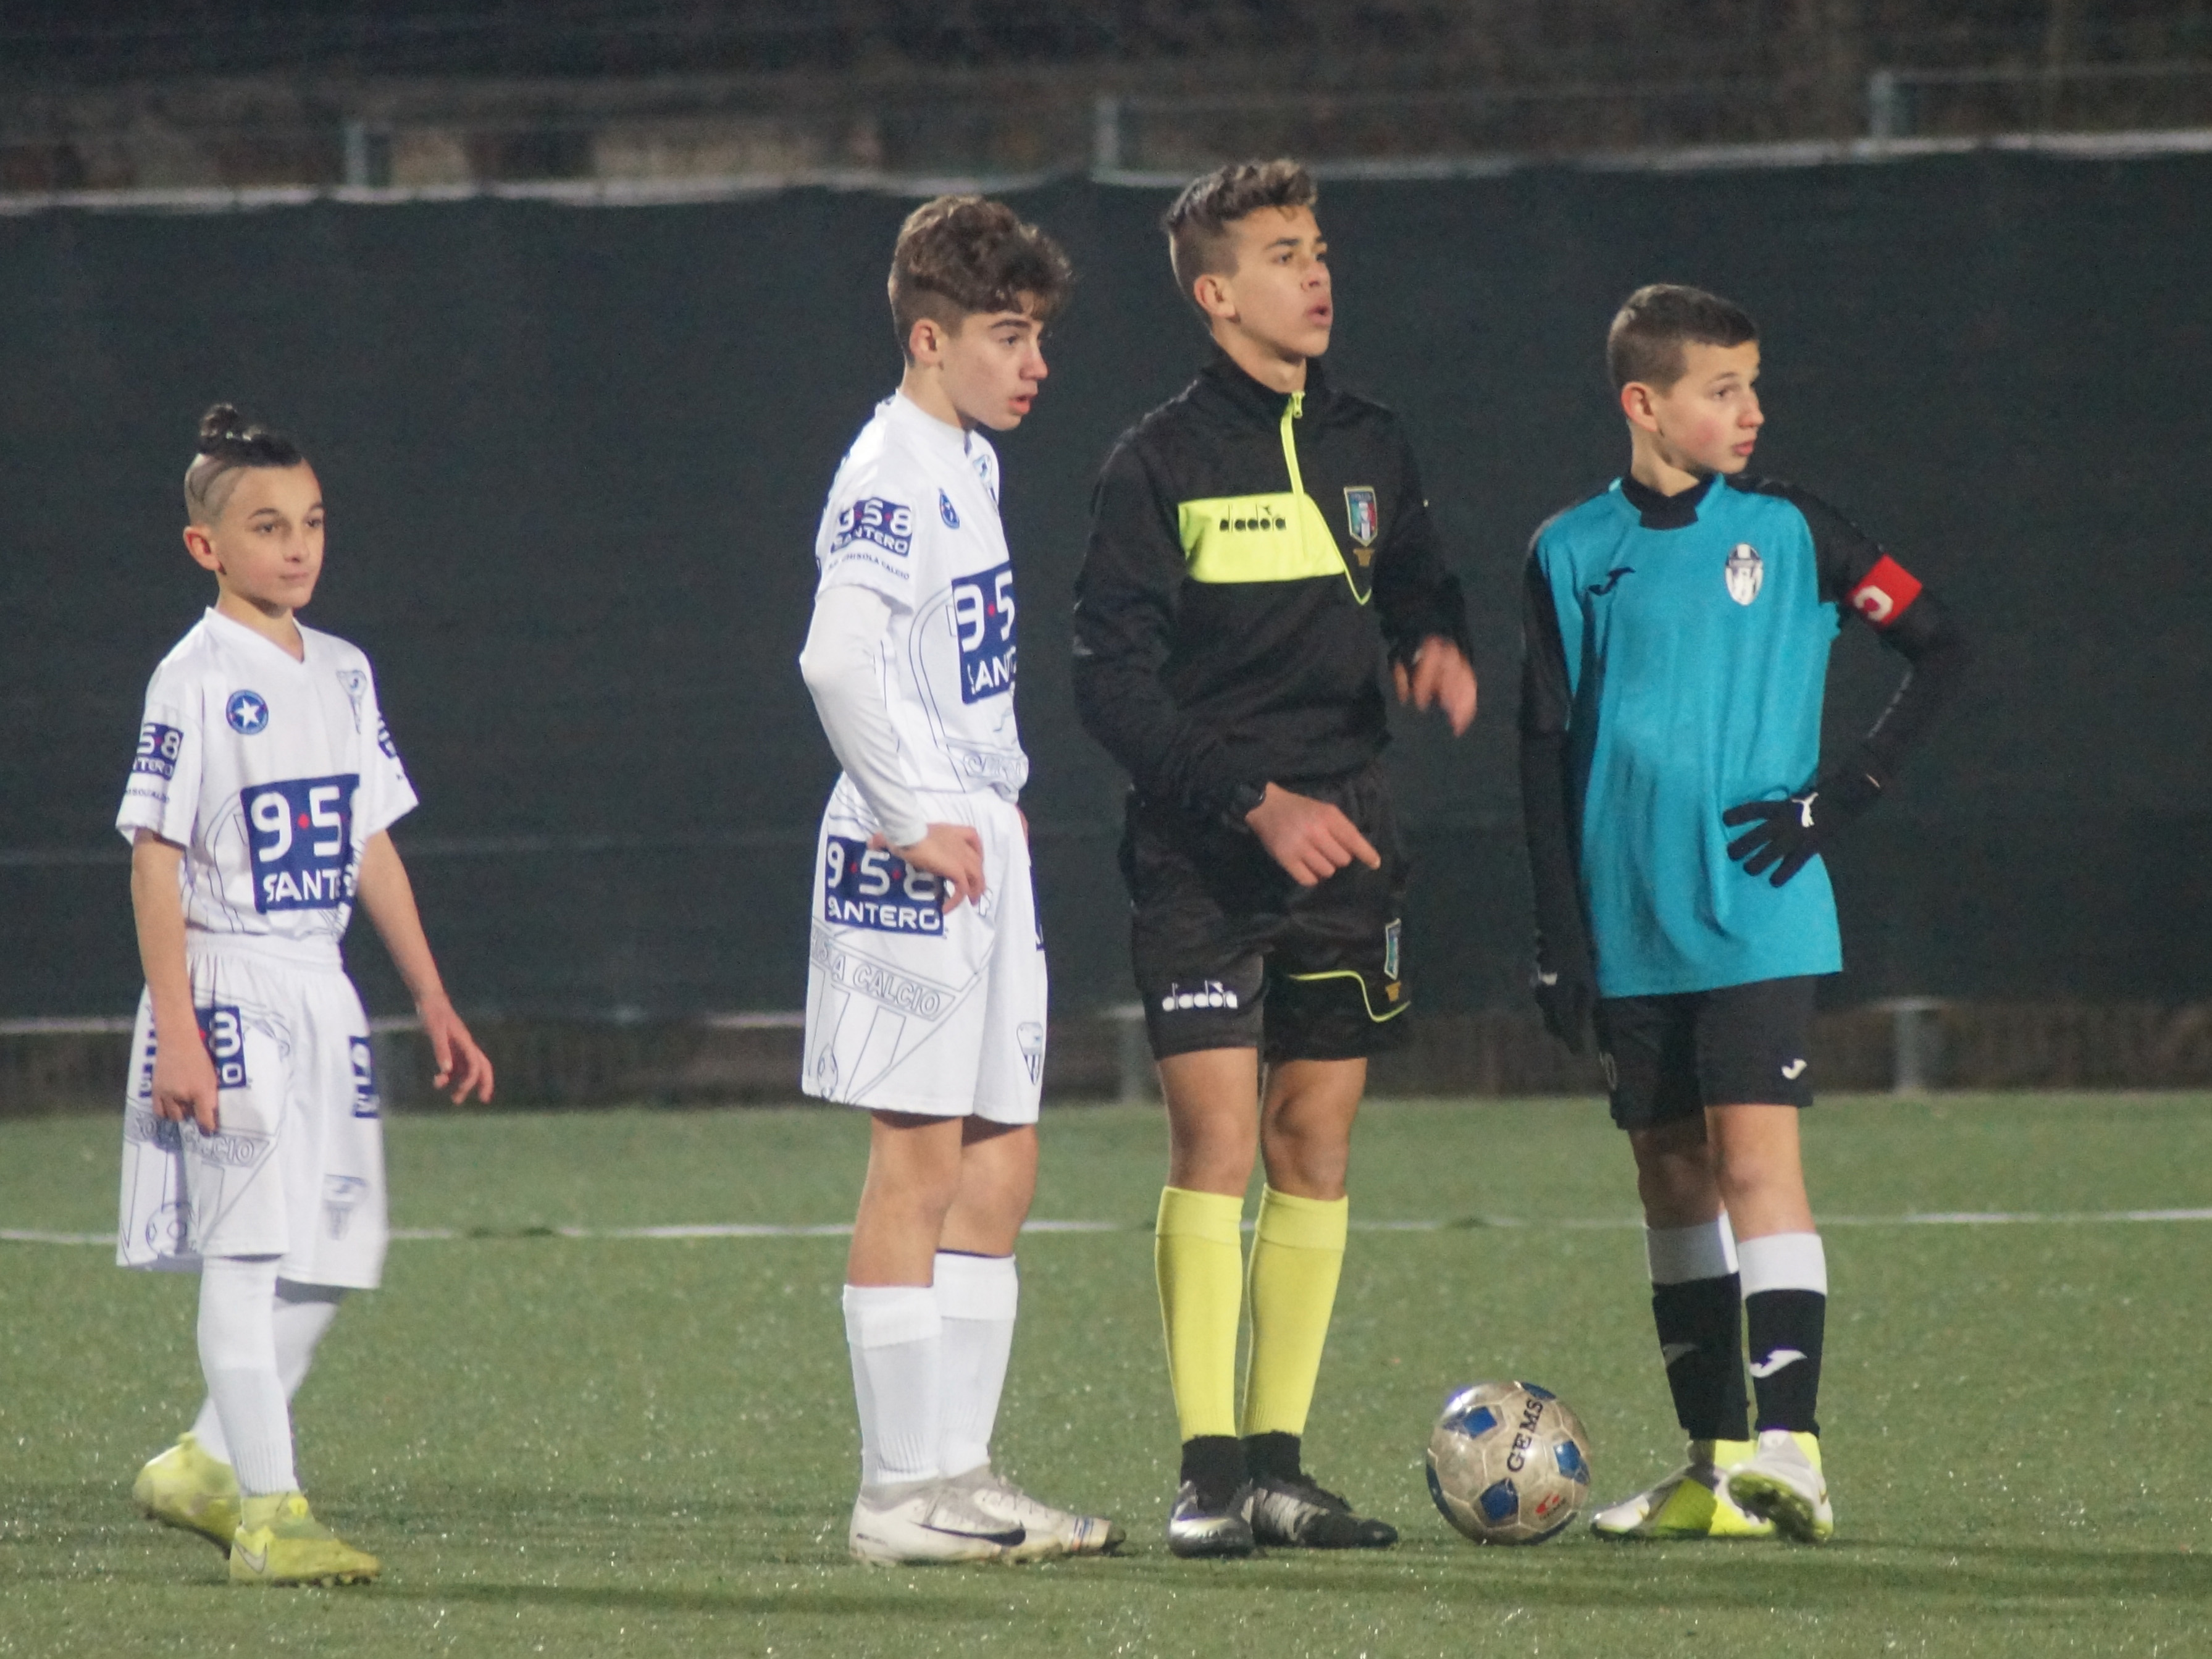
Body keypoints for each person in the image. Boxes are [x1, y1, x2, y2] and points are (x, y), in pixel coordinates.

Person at [1518, 285, 1971, 1543]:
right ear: (1643, 402)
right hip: (1629, 915)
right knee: (1668, 1176)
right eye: (1723, 389)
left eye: (1753, 384)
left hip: (1759, 906)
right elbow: (1542, 749)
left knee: (1755, 1160)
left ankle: (1793, 1449)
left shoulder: (1795, 531)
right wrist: (1559, 934)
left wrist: (1842, 795)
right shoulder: (1567, 550)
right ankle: (1715, 1465)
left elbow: (1941, 644)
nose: (1751, 409)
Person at [1071, 159, 1478, 1558]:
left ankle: (1280, 1470)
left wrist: (1432, 640)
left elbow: (1416, 573)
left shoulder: (1372, 439)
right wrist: (1251, 799)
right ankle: (1205, 1473)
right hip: (1206, 843)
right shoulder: (1155, 462)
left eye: (1319, 250)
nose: (1316, 275)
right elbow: (1108, 685)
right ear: (1215, 292)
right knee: (1217, 1142)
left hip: (1349, 835)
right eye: (1284, 255)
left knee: (1314, 1143)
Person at [797, 195, 1120, 1566]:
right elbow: (832, 658)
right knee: (918, 1162)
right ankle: (892, 1499)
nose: (1033, 361)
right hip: (909, 854)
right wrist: (911, 813)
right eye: (1006, 334)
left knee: (1002, 1161)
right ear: (929, 339)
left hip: (978, 836)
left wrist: (988, 790)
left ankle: (962, 1477)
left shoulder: (968, 460)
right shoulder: (888, 471)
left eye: (1037, 333)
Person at [122, 405, 495, 1586]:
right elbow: (154, 861)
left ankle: (203, 1461)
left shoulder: (342, 669)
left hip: (322, 988)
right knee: (245, 1254)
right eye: (268, 526)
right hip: (226, 982)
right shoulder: (191, 678)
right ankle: (269, 1515)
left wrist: (431, 994)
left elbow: (369, 838)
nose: (297, 547)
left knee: (337, 1246)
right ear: (206, 547)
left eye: (313, 523)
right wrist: (179, 1031)